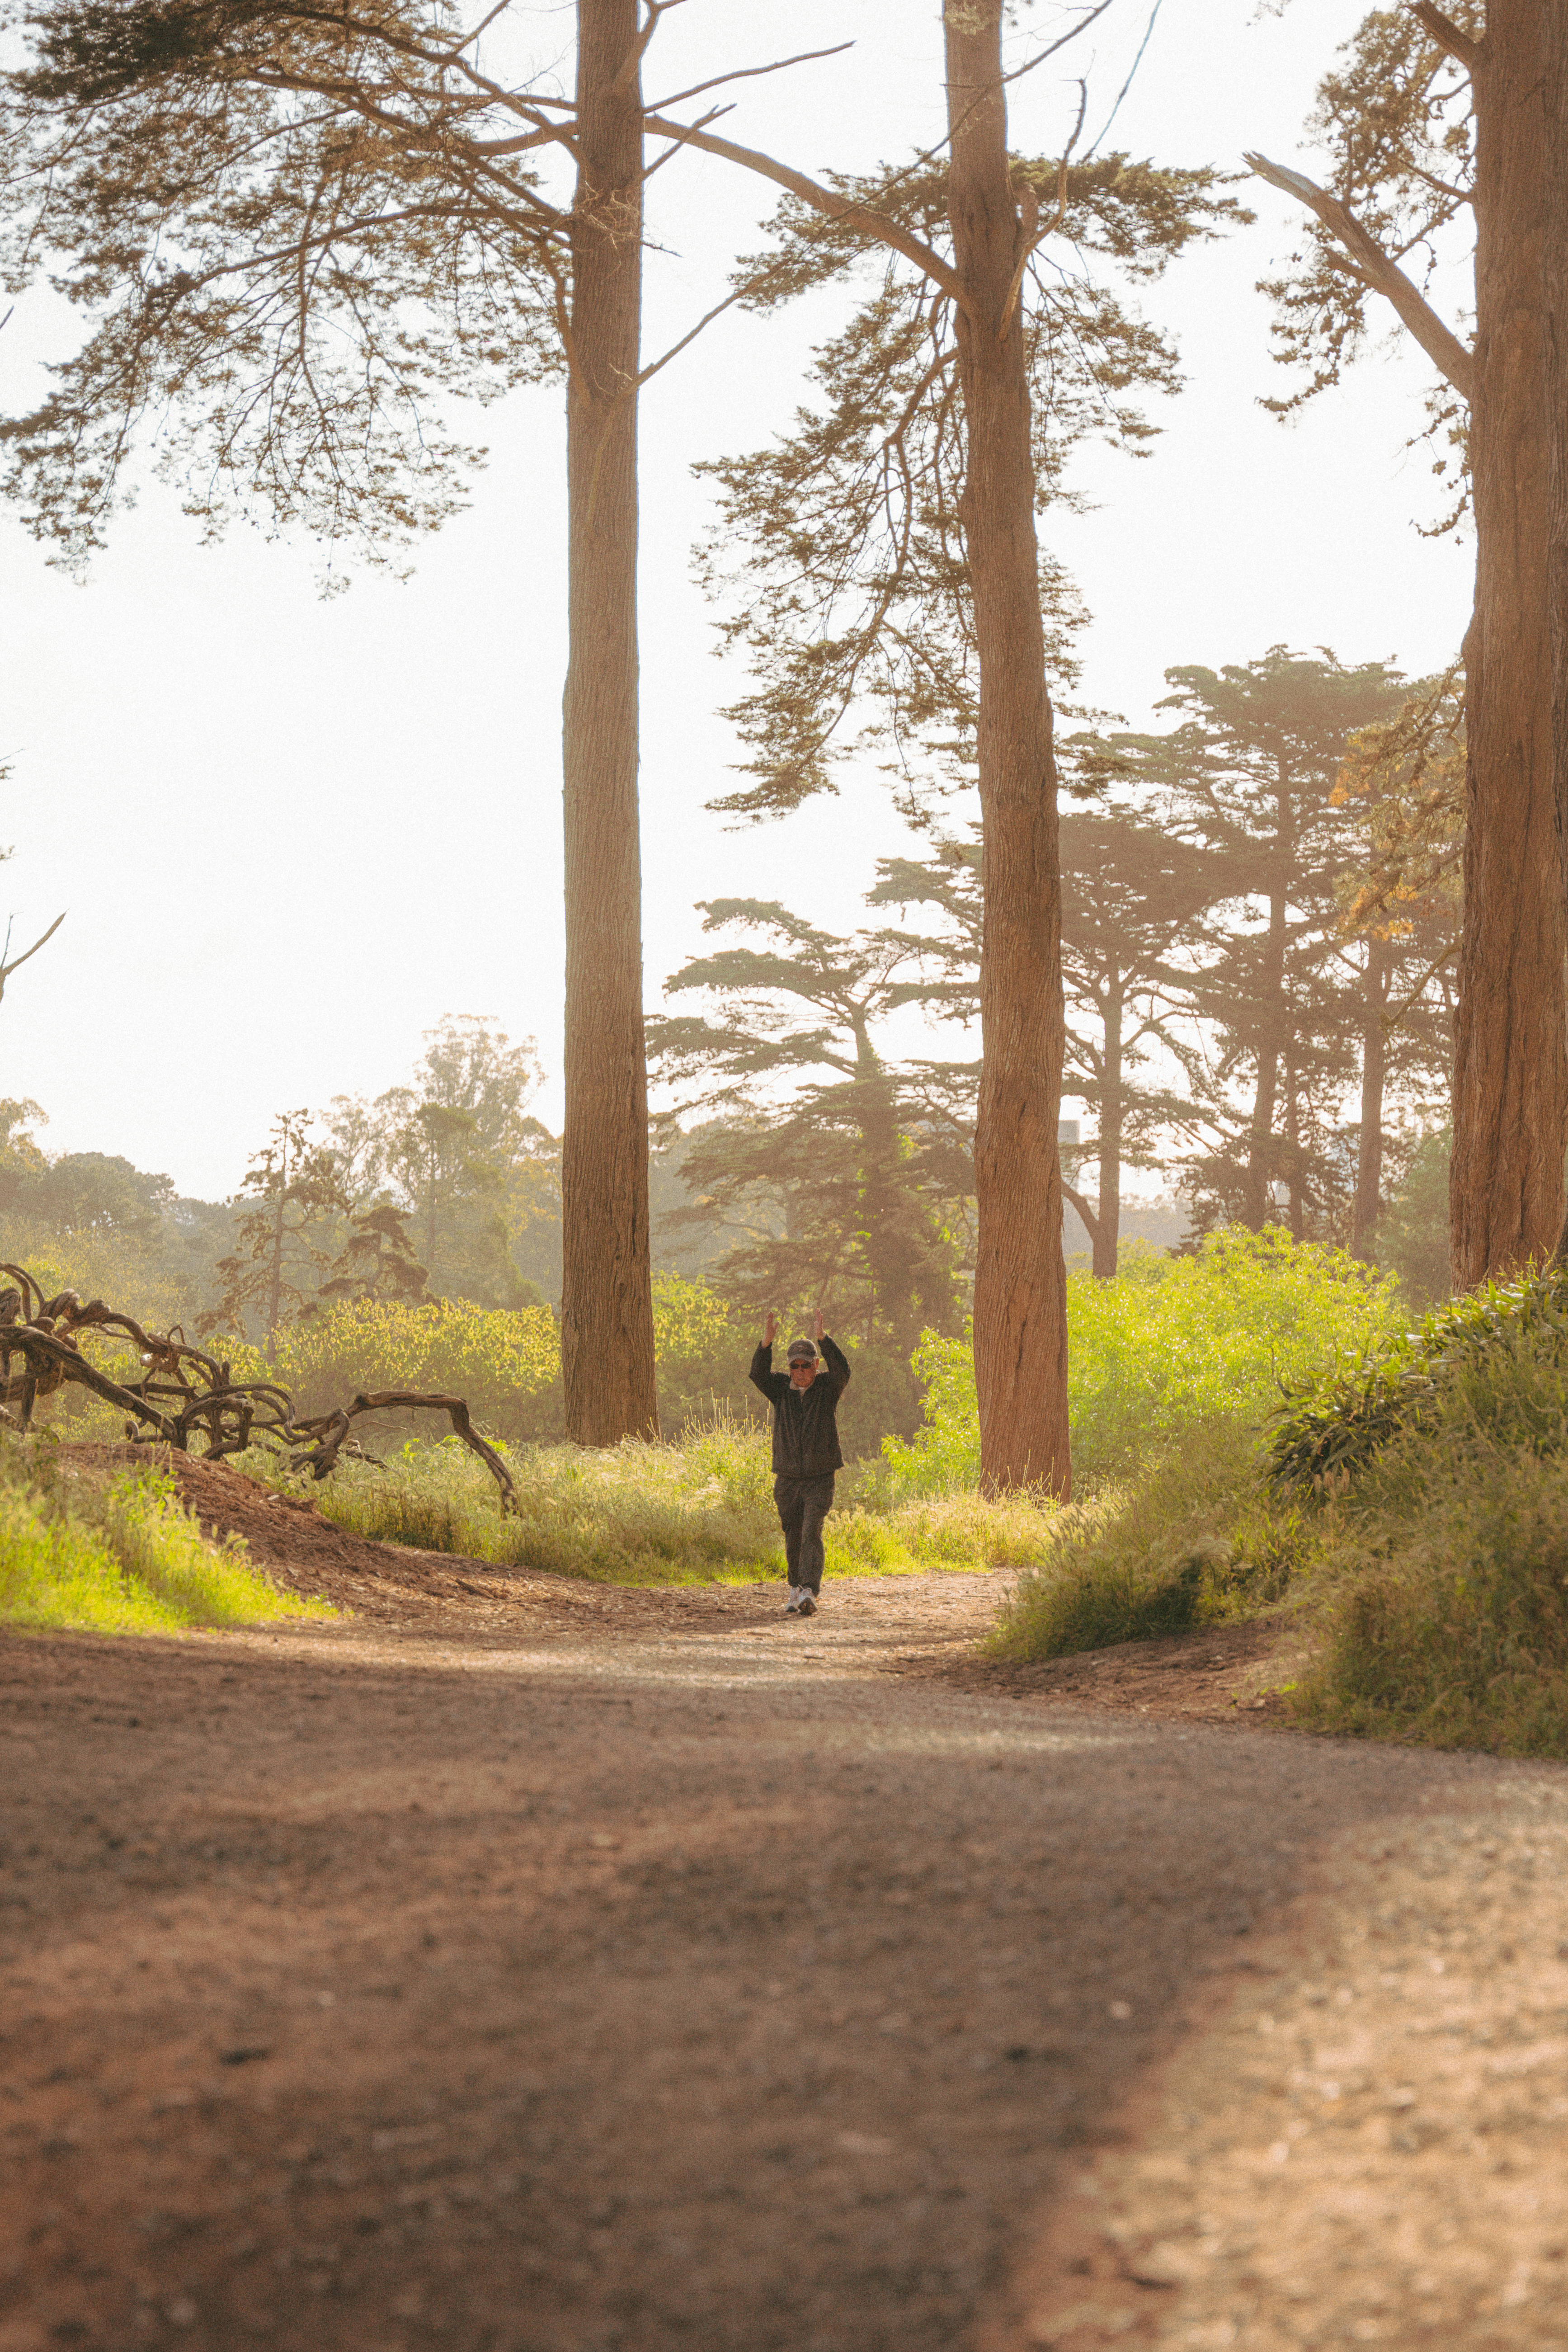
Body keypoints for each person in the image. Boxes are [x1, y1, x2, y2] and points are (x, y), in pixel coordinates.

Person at [749, 1307, 851, 1617]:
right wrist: (766, 1344)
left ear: (815, 1365)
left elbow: (843, 1371)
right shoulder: (780, 1389)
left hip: (820, 1476)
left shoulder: (826, 1388)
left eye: (806, 1364)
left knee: (811, 1530)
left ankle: (809, 1589)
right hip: (788, 1477)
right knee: (792, 1531)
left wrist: (824, 1339)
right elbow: (757, 1374)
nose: (800, 1370)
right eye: (794, 1365)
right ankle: (795, 1588)